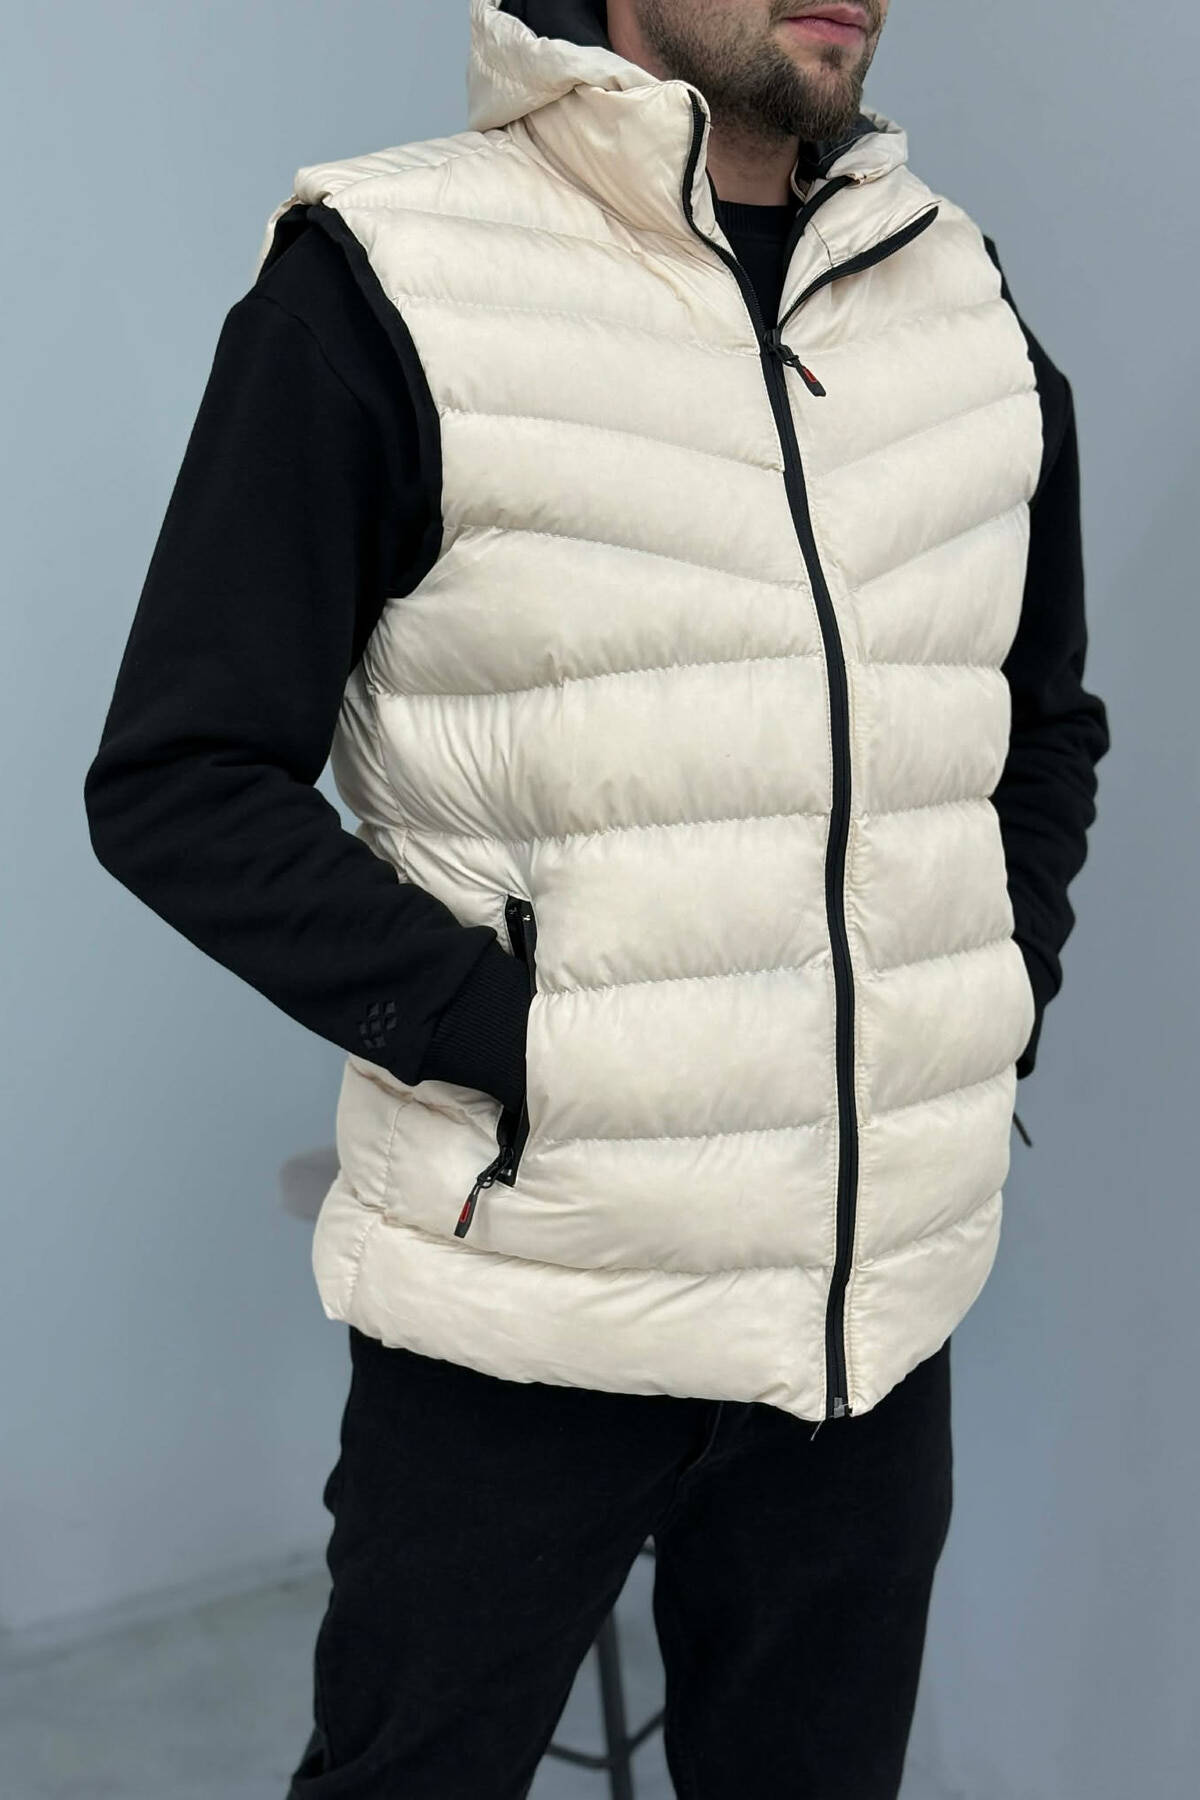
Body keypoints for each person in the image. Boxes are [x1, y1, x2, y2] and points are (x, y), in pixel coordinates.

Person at [83, 2, 1111, 1794]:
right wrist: (519, 1048)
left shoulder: (959, 297)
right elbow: (180, 779)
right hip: (531, 1306)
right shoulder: (390, 276)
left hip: (866, 1328)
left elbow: (1040, 722)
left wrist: (990, 987)